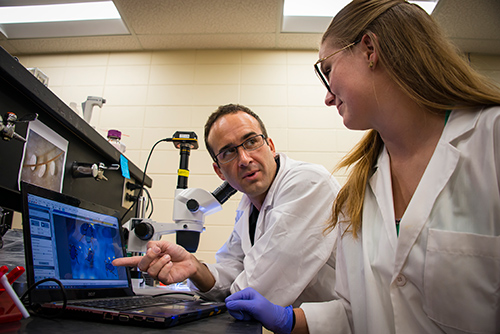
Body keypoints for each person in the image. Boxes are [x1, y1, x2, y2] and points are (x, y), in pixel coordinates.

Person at [224, 0, 500, 333]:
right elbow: (357, 313)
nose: (327, 97)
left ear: (369, 48)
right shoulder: (359, 192)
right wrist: (289, 320)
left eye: (327, 70)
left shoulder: (490, 140)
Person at [113, 103, 341, 308]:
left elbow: (259, 291)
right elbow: (230, 270)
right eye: (229, 152)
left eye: (252, 142)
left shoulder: (308, 182)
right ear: (219, 171)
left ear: (270, 146)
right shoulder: (247, 206)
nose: (244, 159)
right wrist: (193, 267)